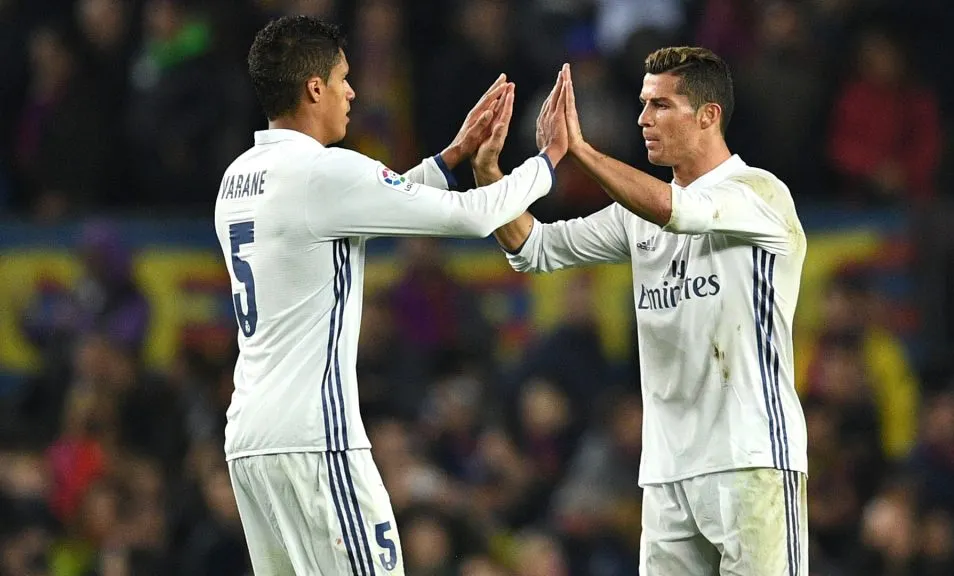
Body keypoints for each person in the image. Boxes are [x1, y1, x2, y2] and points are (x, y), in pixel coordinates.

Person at [213, 15, 569, 575]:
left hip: (250, 442)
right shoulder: (319, 173)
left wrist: (451, 159)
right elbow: (473, 218)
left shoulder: (239, 178)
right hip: (317, 439)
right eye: (342, 78)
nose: (352, 91)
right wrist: (546, 162)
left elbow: (371, 202)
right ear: (314, 89)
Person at [475, 50, 808, 574]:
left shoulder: (758, 193)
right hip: (667, 467)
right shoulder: (637, 216)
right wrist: (488, 171)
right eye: (642, 104)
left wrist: (580, 152)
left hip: (750, 457)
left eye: (661, 105)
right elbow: (533, 248)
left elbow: (678, 212)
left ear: (708, 115)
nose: (643, 119)